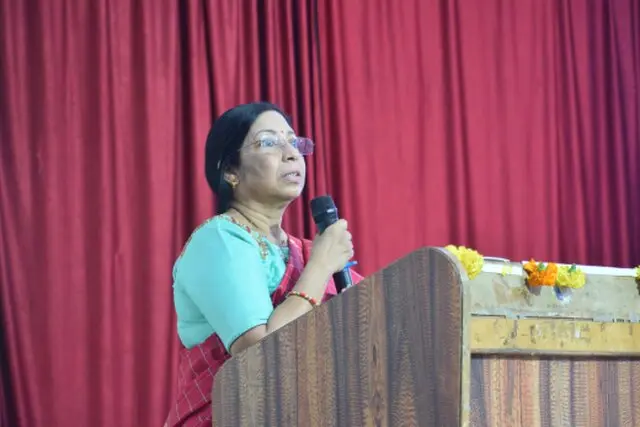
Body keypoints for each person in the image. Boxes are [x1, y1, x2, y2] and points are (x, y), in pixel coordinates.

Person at [164, 102, 363, 426]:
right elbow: (260, 354)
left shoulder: (304, 251)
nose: (291, 154)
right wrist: (320, 266)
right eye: (269, 142)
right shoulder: (219, 239)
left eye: (293, 142)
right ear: (231, 170)